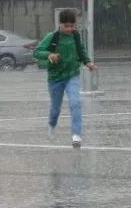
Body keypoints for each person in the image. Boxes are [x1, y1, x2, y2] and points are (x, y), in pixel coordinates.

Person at [33, 9, 95, 147]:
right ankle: (52, 124)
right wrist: (49, 54)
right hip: (55, 77)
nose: (69, 29)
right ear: (60, 24)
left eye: (71, 26)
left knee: (75, 103)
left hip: (72, 75)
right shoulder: (52, 36)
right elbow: (36, 52)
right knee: (56, 107)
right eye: (66, 26)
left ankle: (76, 135)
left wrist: (87, 62)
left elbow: (80, 50)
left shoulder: (75, 35)